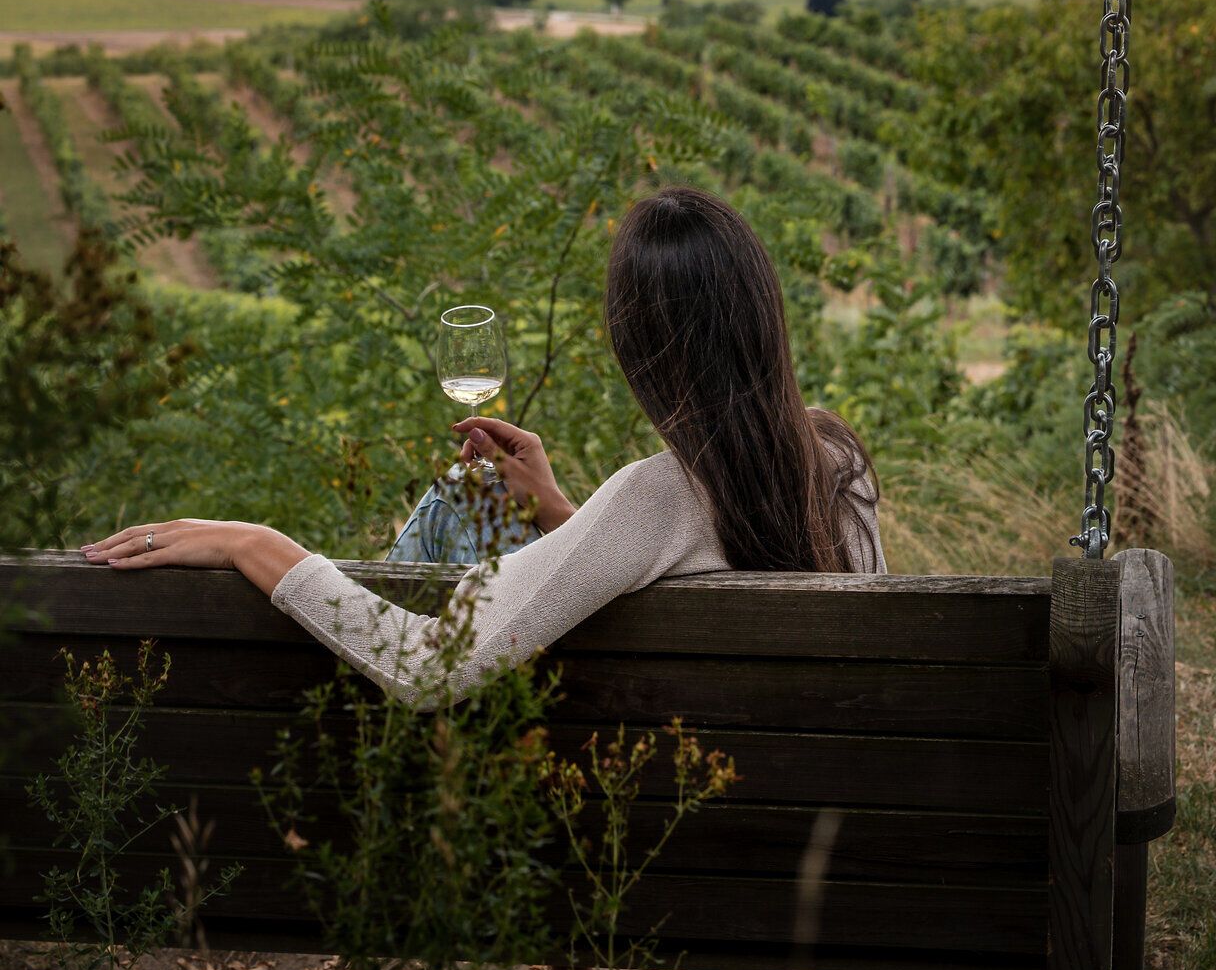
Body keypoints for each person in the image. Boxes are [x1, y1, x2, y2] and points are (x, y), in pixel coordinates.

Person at [80, 185, 885, 708]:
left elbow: (429, 667)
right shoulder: (836, 460)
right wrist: (565, 515)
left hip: (672, 854)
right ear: (763, 314)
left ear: (636, 345)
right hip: (811, 835)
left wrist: (254, 543)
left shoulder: (657, 495)